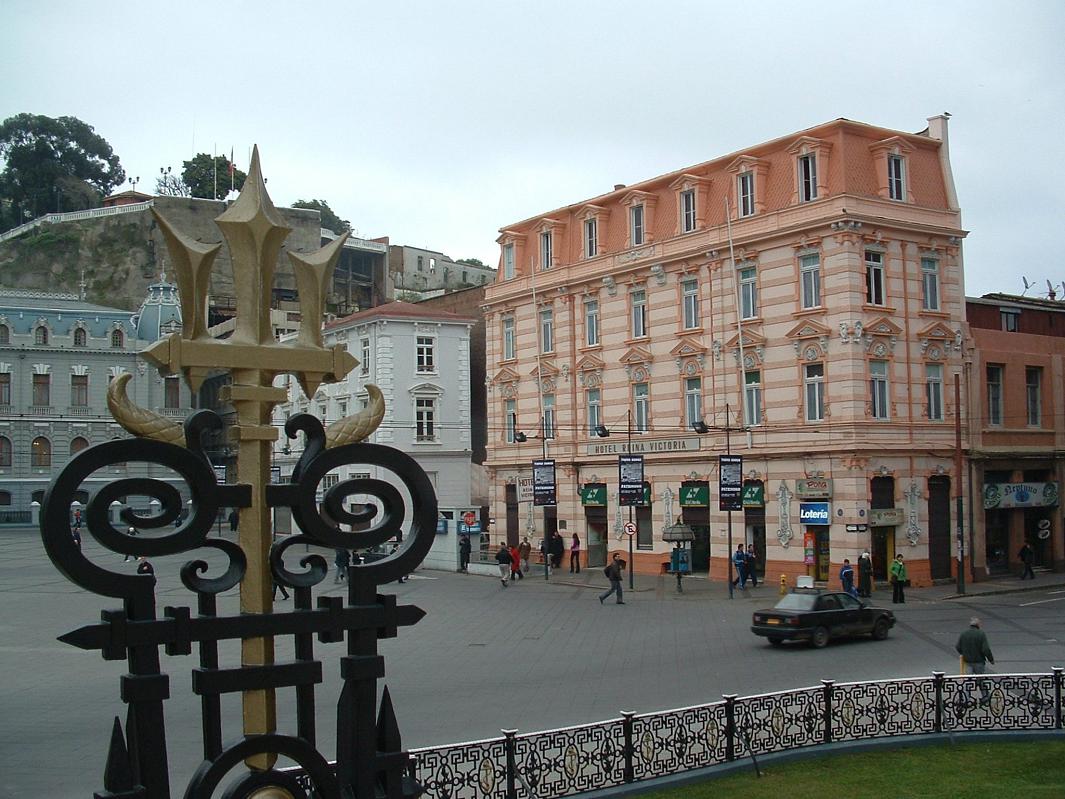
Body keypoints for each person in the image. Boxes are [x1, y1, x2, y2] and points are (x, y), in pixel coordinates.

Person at [956, 617, 995, 704]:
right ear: (978, 625)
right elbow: (985, 649)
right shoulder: (981, 634)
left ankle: (966, 699)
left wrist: (964, 653)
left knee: (968, 681)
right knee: (980, 679)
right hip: (979, 661)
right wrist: (991, 659)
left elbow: (958, 646)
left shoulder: (964, 634)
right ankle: (985, 696)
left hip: (967, 661)